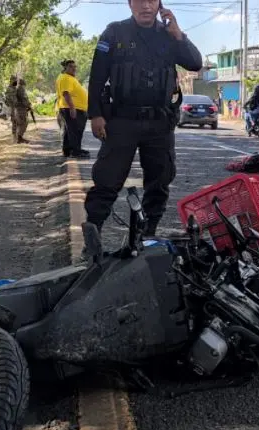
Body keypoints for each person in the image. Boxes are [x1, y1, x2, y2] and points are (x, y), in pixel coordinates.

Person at [82, 0, 202, 250]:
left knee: (159, 181)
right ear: (129, 4)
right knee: (106, 180)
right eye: (139, 0)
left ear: (159, 4)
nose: (145, 6)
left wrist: (179, 35)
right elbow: (97, 76)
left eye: (151, 0)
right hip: (121, 120)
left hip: (160, 121)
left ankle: (148, 235)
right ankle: (92, 238)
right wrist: (95, 114)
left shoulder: (170, 34)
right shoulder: (114, 32)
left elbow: (195, 63)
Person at [56, 59, 90, 158]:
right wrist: (72, 108)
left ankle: (68, 150)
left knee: (70, 130)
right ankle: (76, 151)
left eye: (75, 66)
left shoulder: (68, 78)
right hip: (71, 107)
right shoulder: (66, 78)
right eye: (71, 66)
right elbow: (66, 93)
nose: (74, 68)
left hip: (71, 107)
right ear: (65, 67)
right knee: (76, 130)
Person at [14, 79, 35, 143]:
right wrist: (29, 106)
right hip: (21, 109)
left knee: (20, 123)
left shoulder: (17, 89)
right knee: (23, 123)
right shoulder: (20, 89)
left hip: (18, 108)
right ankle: (19, 138)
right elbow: (24, 99)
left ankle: (19, 138)